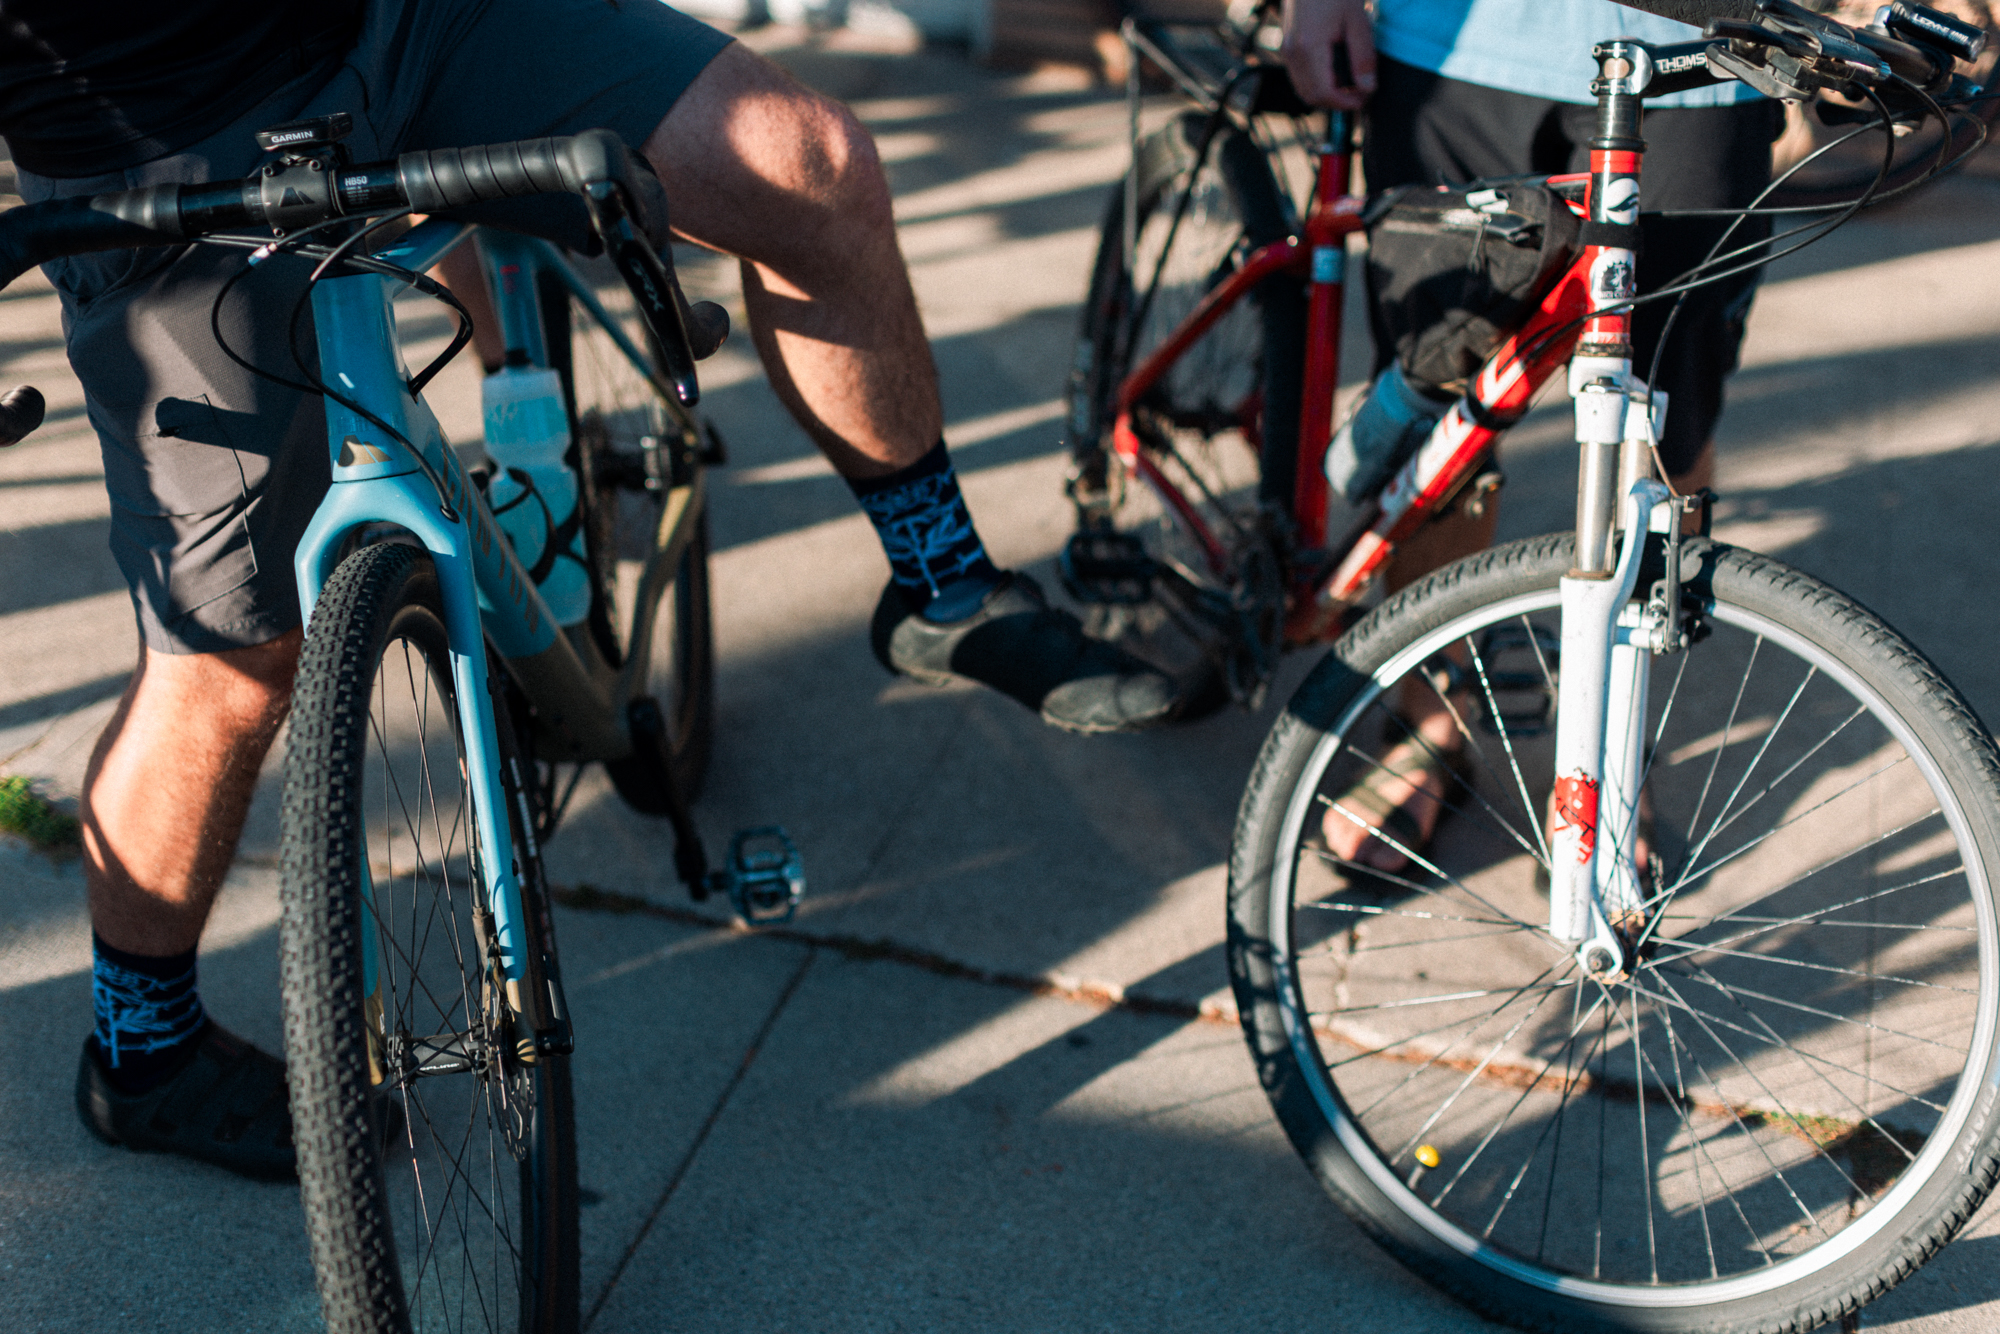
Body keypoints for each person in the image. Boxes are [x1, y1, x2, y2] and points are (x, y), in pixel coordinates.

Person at [4, 0, 1178, 1181]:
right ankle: (143, 1052)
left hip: (412, 21)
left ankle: (940, 580)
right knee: (226, 661)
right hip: (161, 138)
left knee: (807, 164)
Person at [1278, 0, 1782, 874]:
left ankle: (1617, 743)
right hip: (1454, 50)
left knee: (1666, 431)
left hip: (1704, 56)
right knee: (1442, 411)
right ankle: (1429, 721)